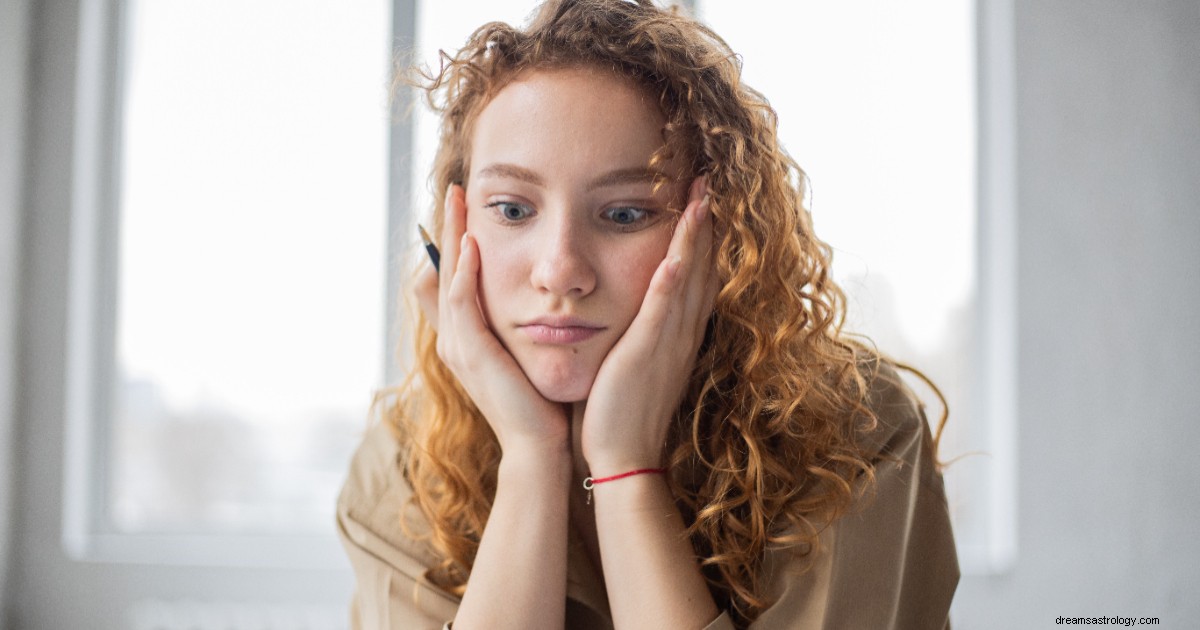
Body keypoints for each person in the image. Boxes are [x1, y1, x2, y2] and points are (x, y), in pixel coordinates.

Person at [337, 0, 960, 628]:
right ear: (455, 231)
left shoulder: (854, 434)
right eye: (513, 210)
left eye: (625, 214)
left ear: (720, 237)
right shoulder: (404, 465)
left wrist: (626, 472)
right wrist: (532, 458)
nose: (559, 271)